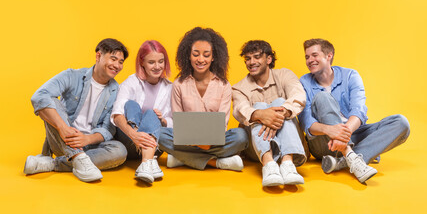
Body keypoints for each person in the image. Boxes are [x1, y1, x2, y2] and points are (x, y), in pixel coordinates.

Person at [299, 38, 410, 183]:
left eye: (314, 55)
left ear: (329, 55)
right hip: (323, 142)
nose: (310, 60)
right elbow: (306, 122)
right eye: (307, 57)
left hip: (353, 133)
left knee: (401, 123)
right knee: (322, 97)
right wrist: (329, 130)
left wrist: (344, 133)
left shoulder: (350, 75)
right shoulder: (304, 82)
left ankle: (342, 162)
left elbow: (359, 110)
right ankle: (352, 155)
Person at [24, 38, 129, 182]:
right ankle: (76, 157)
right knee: (51, 101)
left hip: (92, 146)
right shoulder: (72, 76)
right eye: (113, 59)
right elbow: (39, 96)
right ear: (98, 56)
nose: (117, 65)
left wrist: (87, 139)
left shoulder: (117, 90)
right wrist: (63, 128)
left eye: (121, 62)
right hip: (63, 139)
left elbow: (108, 129)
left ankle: (53, 163)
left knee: (120, 150)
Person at [158, 27, 248, 171]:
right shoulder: (179, 84)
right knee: (159, 134)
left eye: (206, 55)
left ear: (213, 57)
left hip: (214, 141)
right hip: (186, 140)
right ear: (188, 55)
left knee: (241, 136)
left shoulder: (224, 85)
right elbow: (177, 120)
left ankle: (182, 158)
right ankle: (216, 162)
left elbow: (223, 123)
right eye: (196, 54)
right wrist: (196, 142)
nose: (201, 59)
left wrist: (208, 143)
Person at [232, 40, 307, 186]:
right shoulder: (238, 88)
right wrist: (261, 115)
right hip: (257, 151)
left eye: (257, 57)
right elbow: (240, 110)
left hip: (292, 146)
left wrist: (279, 114)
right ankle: (269, 165)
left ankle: (288, 164)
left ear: (269, 59)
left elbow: (299, 96)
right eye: (247, 58)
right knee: (258, 108)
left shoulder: (285, 74)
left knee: (280, 103)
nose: (251, 62)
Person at [111, 40, 172, 183]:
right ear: (142, 62)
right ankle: (149, 163)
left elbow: (174, 122)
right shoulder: (131, 82)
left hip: (154, 145)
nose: (157, 67)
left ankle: (145, 163)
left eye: (161, 61)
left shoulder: (170, 88)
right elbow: (117, 114)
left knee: (152, 114)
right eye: (151, 62)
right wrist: (134, 134)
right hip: (128, 141)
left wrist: (162, 120)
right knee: (131, 104)